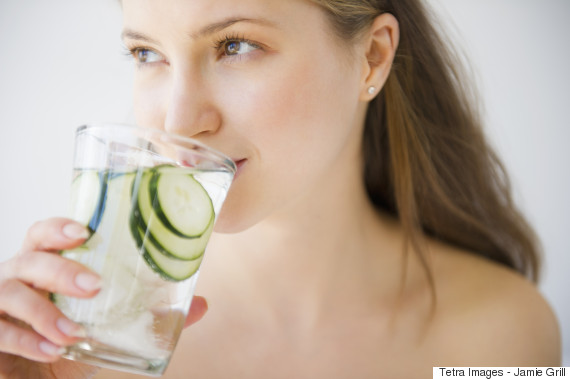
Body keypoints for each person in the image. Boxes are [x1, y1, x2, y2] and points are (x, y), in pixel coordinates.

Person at [0, 0, 561, 377]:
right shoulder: (96, 341)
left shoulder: (509, 335)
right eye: (148, 54)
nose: (176, 122)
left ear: (373, 56)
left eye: (235, 46)